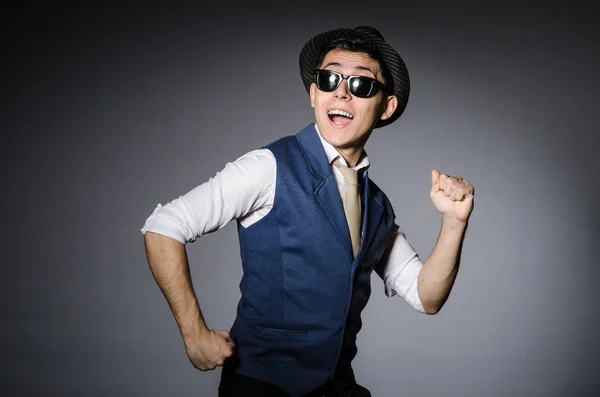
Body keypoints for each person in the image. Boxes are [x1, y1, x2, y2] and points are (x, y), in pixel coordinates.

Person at [141, 26, 474, 397]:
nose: (341, 92)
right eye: (329, 79)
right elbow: (163, 226)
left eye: (361, 84)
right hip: (261, 388)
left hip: (335, 388)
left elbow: (426, 296)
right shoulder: (267, 167)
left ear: (386, 106)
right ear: (315, 94)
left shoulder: (377, 205)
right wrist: (193, 333)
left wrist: (454, 222)